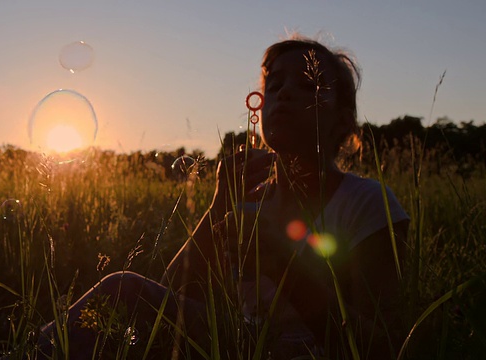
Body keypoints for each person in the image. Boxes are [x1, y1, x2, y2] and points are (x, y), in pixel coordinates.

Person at [35, 34, 410, 359]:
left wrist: (282, 263)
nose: (285, 93)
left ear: (343, 120)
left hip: (311, 352)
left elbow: (384, 345)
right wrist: (219, 206)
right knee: (125, 291)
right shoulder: (251, 200)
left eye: (308, 85)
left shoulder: (367, 201)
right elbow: (171, 295)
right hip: (242, 343)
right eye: (274, 84)